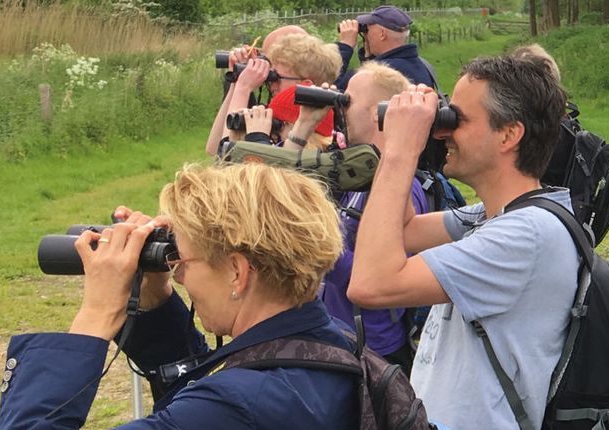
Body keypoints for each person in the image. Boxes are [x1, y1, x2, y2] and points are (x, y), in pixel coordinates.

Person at [0, 163, 359, 429]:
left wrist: (96, 315)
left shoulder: (238, 405)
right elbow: (209, 380)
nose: (179, 275)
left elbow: (216, 401)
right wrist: (155, 300)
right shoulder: (332, 343)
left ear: (238, 271)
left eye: (182, 260)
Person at [347, 54, 575, 428]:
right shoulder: (493, 215)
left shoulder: (526, 234)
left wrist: (401, 153)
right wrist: (394, 141)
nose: (443, 131)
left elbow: (370, 283)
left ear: (508, 134)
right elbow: (402, 230)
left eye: (458, 119)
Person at [293, 62, 431, 373]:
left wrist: (317, 245)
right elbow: (277, 189)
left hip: (375, 351)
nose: (339, 108)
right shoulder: (358, 173)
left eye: (347, 101)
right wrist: (304, 125)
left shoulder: (401, 186)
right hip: (339, 337)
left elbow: (388, 270)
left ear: (377, 113)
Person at [206, 33, 342, 157]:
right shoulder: (278, 115)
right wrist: (235, 81)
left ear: (305, 84)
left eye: (276, 77)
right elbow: (213, 149)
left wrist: (243, 88)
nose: (271, 83)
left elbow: (225, 156)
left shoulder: (295, 125)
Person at [334, 5, 435, 91]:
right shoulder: (422, 65)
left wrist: (345, 46)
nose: (365, 35)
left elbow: (332, 92)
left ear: (382, 34)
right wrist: (369, 57)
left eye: (367, 30)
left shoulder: (375, 73)